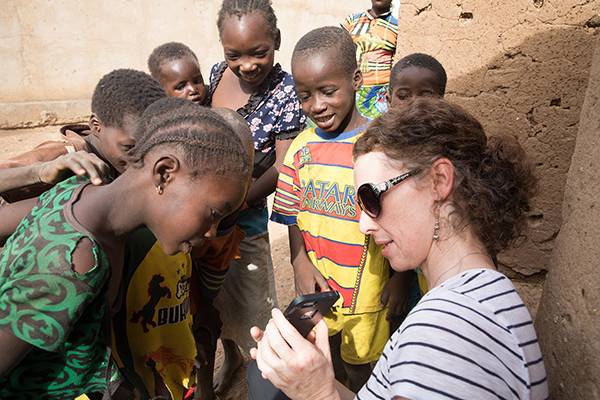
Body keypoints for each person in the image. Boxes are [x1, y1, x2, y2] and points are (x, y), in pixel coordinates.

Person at [249, 97, 549, 400]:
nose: (364, 225)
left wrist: (316, 395)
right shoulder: (479, 296)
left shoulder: (447, 329)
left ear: (439, 180)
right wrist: (320, 379)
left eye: (371, 198)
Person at [0, 98, 250, 399]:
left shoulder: (81, 195)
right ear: (164, 173)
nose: (211, 233)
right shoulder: (74, 263)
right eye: (213, 214)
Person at [270, 26, 412, 392]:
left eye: (327, 91)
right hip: (320, 287)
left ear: (356, 80)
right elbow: (290, 214)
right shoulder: (300, 150)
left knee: (364, 369)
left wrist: (400, 278)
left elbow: (399, 219)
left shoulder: (379, 147)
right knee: (324, 360)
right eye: (305, 96)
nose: (316, 105)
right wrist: (299, 262)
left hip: (368, 291)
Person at [205, 0, 305, 396]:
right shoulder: (215, 76)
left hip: (243, 222)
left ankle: (260, 380)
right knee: (214, 302)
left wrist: (237, 201)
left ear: (276, 41)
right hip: (203, 220)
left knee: (252, 306)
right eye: (235, 55)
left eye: (258, 52)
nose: (246, 64)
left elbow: (282, 166)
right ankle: (230, 359)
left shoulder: (285, 92)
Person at [0, 69, 166, 205]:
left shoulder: (121, 161)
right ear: (96, 126)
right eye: (129, 148)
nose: (142, 158)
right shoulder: (63, 158)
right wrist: (39, 172)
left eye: (151, 147)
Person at [342, 0, 398, 119]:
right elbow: (339, 50)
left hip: (380, 94)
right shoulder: (352, 20)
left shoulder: (396, 26)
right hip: (352, 87)